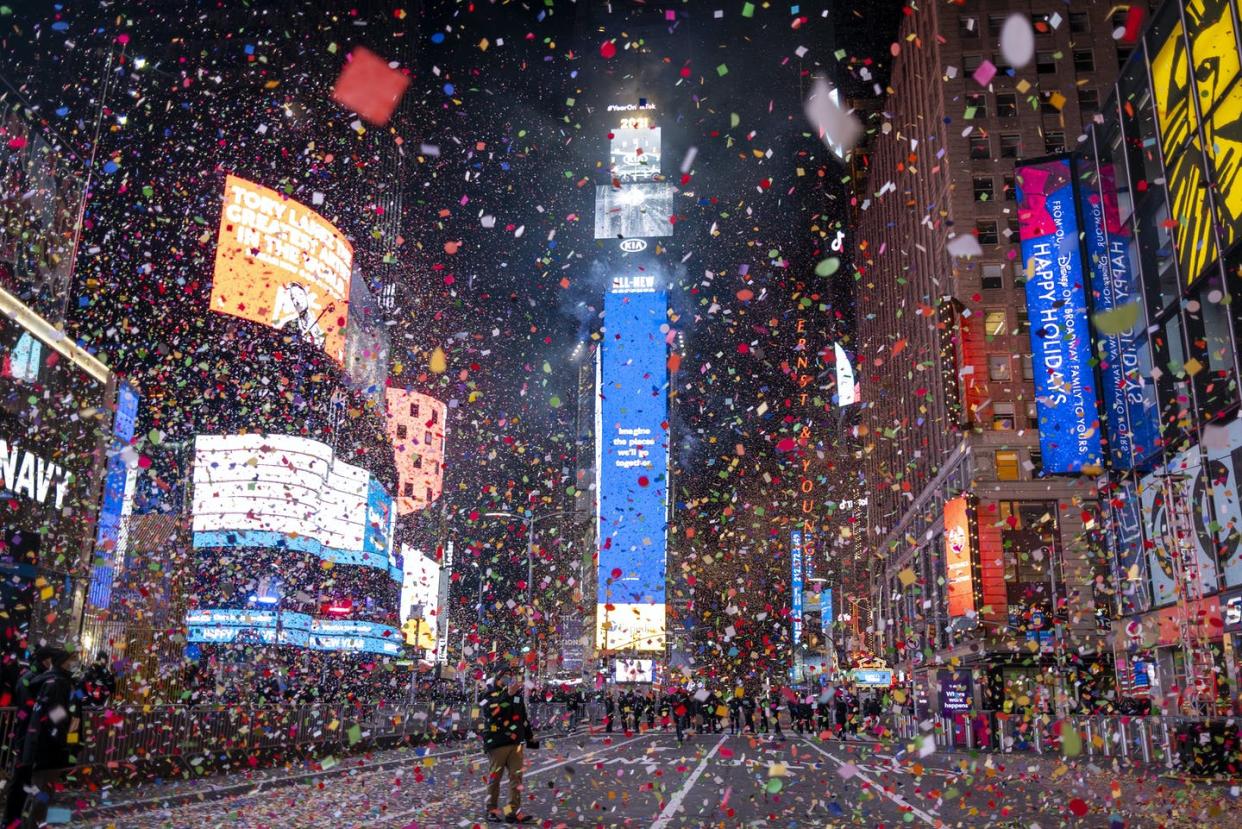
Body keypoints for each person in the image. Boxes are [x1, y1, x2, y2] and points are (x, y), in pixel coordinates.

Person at [20, 647, 79, 828]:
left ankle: (31, 824)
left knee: (41, 791)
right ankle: (30, 825)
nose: (74, 663)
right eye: (71, 660)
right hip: (47, 748)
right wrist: (65, 740)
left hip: (43, 746)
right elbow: (56, 717)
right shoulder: (57, 684)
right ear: (62, 662)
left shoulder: (56, 681)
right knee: (41, 792)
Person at [3, 647, 53, 827]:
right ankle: (10, 819)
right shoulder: (29, 679)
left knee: (26, 781)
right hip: (25, 736)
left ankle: (18, 819)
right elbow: (29, 709)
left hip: (30, 736)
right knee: (20, 781)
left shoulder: (38, 678)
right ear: (44, 660)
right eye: (49, 659)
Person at [481, 665, 535, 824]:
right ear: (498, 677)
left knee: (516, 778)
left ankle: (513, 811)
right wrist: (506, 694)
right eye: (506, 675)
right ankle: (491, 810)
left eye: (511, 676)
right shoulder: (489, 694)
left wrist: (530, 738)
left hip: (516, 743)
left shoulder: (516, 695)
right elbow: (490, 712)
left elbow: (522, 717)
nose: (509, 678)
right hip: (497, 741)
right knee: (495, 778)